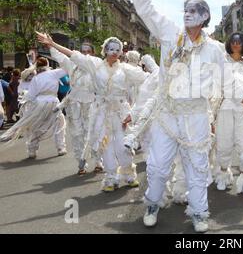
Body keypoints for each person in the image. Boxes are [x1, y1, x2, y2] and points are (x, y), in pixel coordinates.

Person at [130, 0, 225, 233]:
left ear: (205, 17)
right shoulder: (171, 34)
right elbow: (146, 9)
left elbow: (221, 86)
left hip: (196, 114)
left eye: (194, 10)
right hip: (167, 113)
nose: (187, 13)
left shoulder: (215, 50)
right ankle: (152, 203)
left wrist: (212, 118)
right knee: (158, 165)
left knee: (197, 166)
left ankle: (199, 212)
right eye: (185, 9)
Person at [37, 33, 147, 192]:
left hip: (121, 112)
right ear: (105, 50)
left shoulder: (126, 69)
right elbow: (73, 55)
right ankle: (110, 178)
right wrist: (53, 44)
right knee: (106, 144)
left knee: (123, 145)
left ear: (121, 52)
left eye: (117, 49)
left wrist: (137, 110)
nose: (114, 52)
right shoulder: (94, 65)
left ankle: (129, 175)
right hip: (101, 111)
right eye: (111, 49)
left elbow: (148, 81)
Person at [49, 42, 103, 175]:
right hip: (74, 103)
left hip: (91, 103)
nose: (85, 54)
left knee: (93, 132)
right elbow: (59, 56)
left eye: (88, 52)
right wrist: (50, 45)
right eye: (83, 52)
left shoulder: (96, 63)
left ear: (93, 53)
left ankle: (98, 162)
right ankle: (81, 163)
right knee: (77, 133)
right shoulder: (71, 64)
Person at [0, 58, 67, 159]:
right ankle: (60, 147)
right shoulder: (54, 73)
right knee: (58, 124)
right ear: (47, 64)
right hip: (53, 102)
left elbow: (31, 96)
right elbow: (67, 68)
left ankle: (32, 150)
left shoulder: (36, 78)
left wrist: (25, 100)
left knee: (35, 126)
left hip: (39, 103)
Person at [214, 32, 243, 195]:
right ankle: (223, 173)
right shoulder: (222, 62)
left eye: (239, 41)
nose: (236, 44)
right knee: (223, 142)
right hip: (225, 106)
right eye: (233, 41)